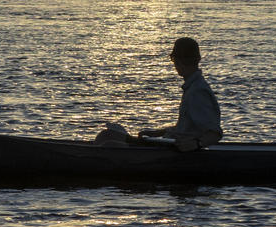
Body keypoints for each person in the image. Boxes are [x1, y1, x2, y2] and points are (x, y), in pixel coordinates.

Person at [94, 36, 224, 152]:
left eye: (174, 59)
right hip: (168, 142)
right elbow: (184, 128)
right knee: (107, 135)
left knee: (109, 144)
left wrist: (196, 144)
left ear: (178, 61)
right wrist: (157, 133)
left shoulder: (198, 91)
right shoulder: (192, 87)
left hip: (174, 151)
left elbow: (215, 133)